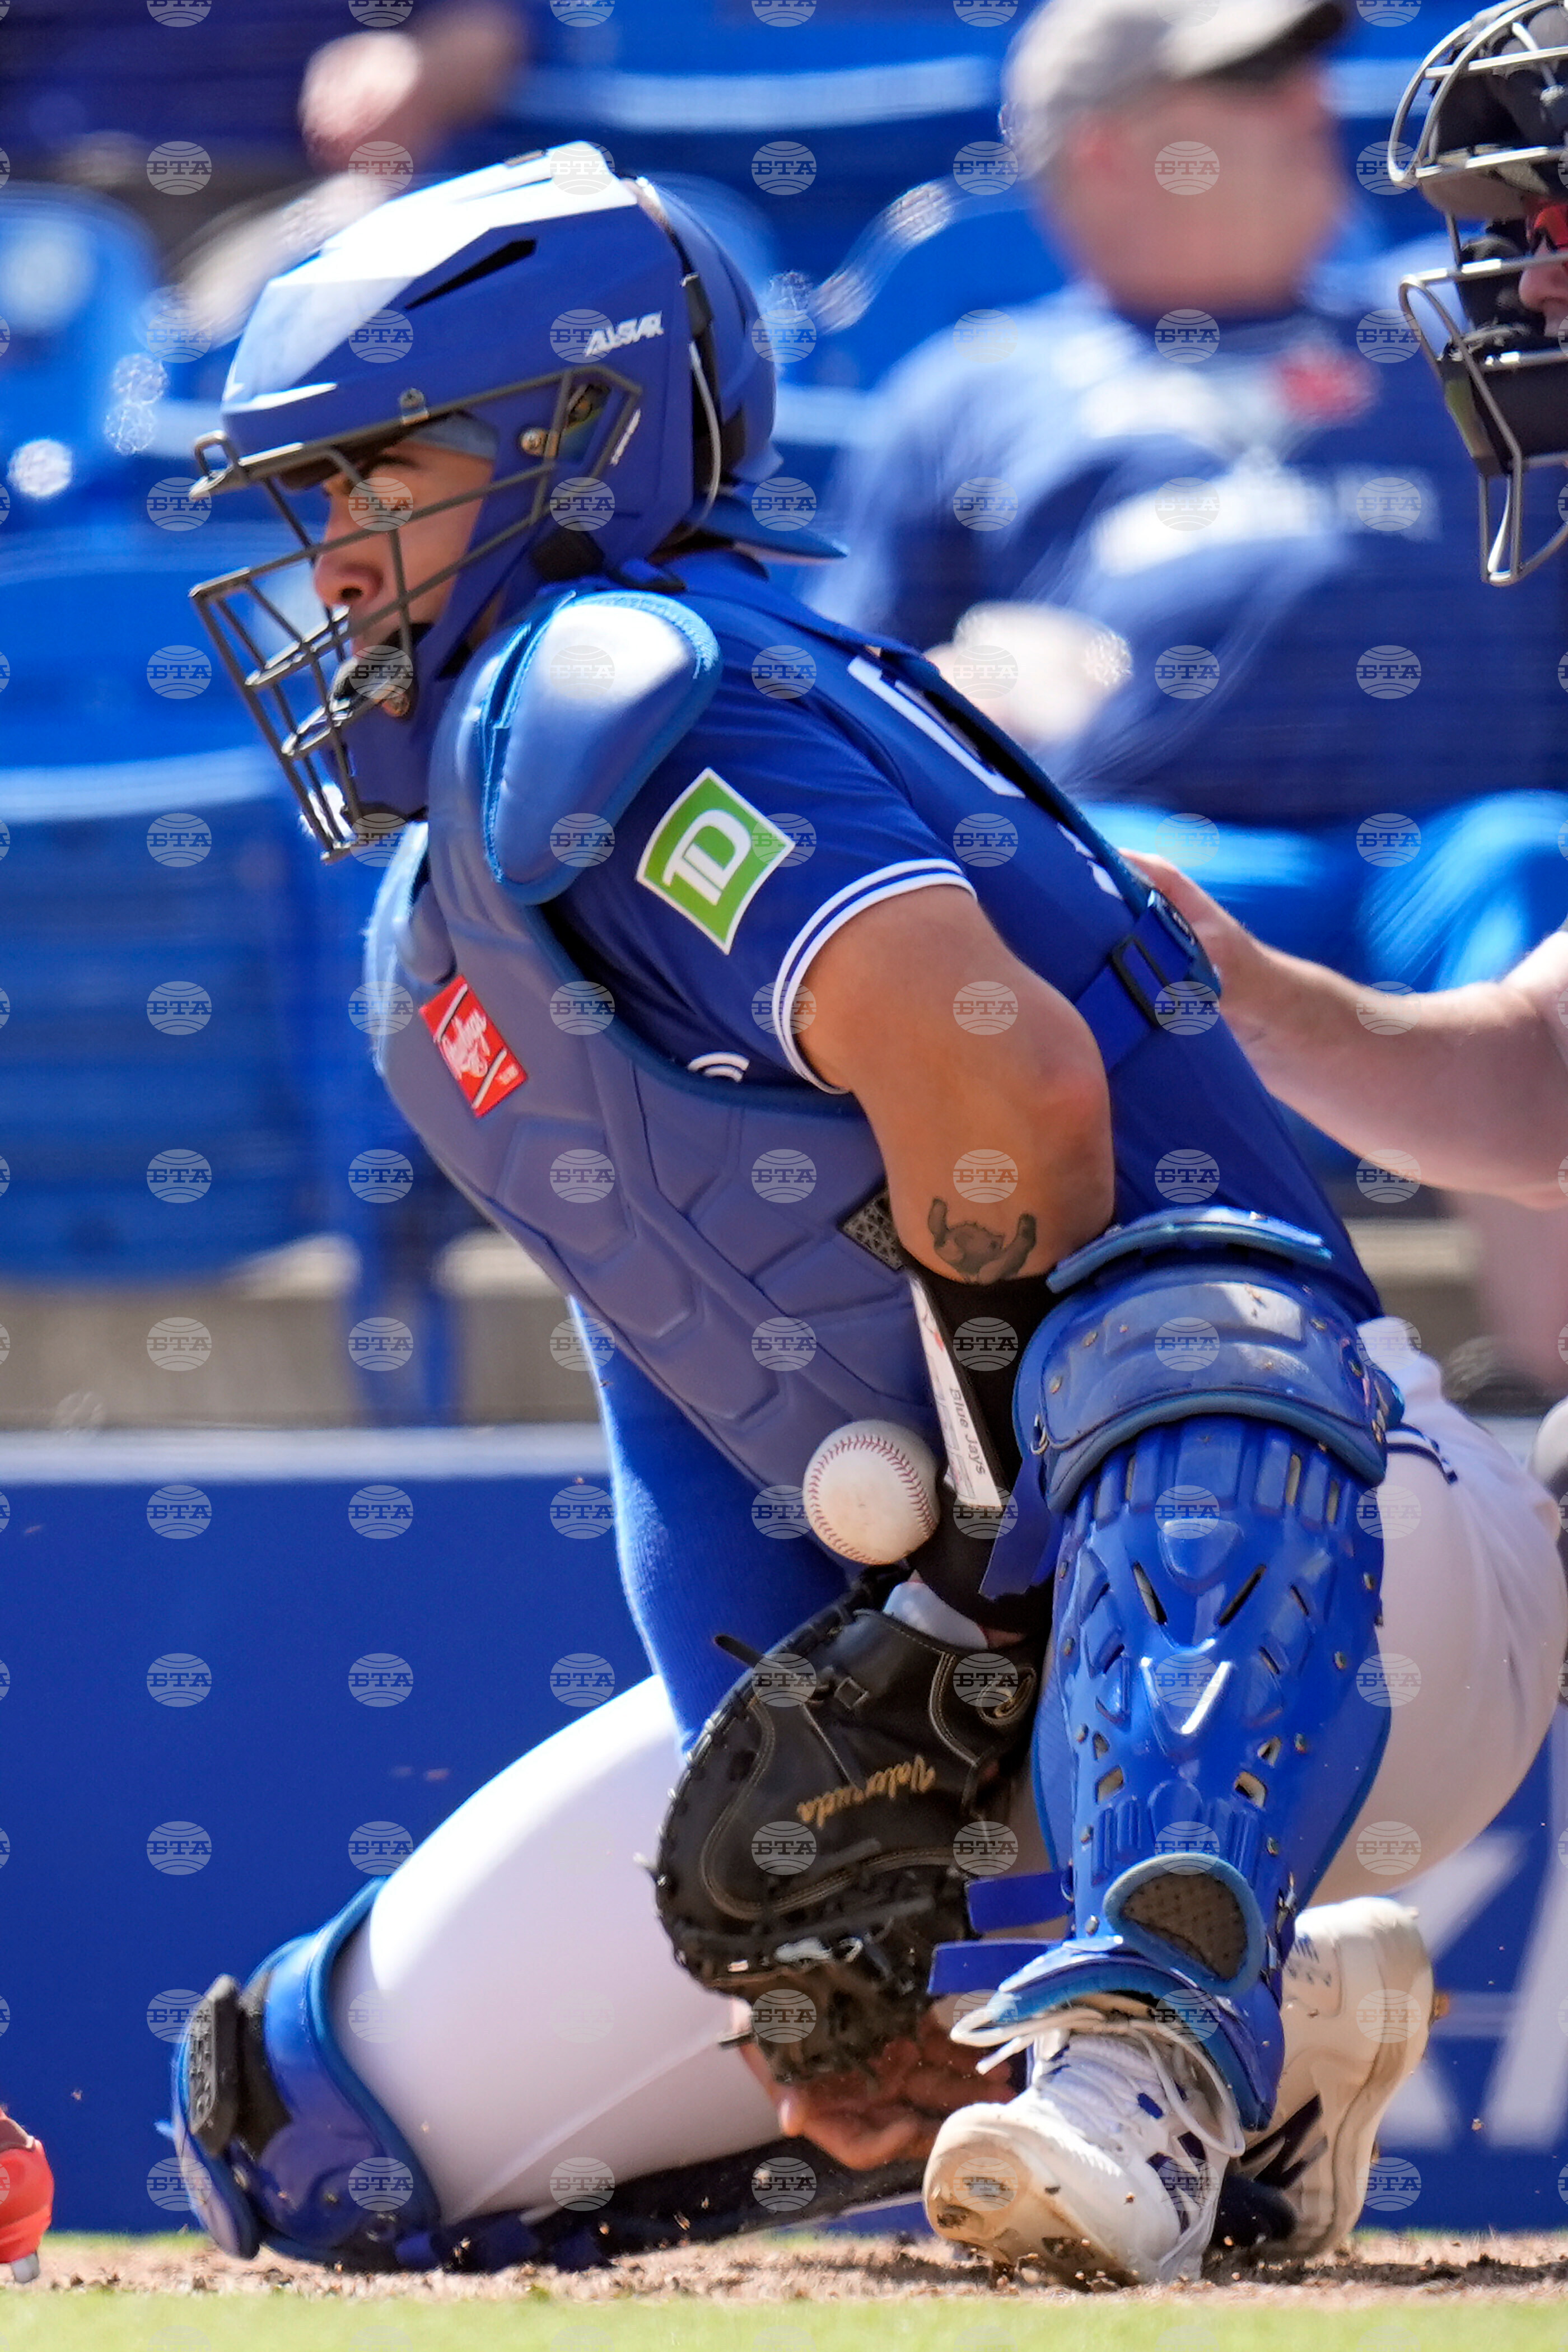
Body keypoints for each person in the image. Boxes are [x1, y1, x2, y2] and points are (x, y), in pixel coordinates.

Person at [162, 145, 1562, 2289]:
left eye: (386, 477)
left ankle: (1154, 2059)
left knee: (1173, 1330)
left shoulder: (636, 683)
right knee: (305, 2137)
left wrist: (968, 1598)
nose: (334, 554)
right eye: (318, 497)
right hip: (1023, 1679)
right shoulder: (439, 924)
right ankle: (1270, 2085)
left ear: (577, 442)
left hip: (1346, 1553)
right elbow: (687, 1393)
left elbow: (1001, 1080)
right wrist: (809, 1939)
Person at [810, 0, 1568, 1407]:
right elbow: (849, 717)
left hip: (1458, 842)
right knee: (1104, 900)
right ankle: (1192, 1406)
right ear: (1104, 153)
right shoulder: (974, 391)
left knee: (1532, 859)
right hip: (1177, 849)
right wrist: (968, 698)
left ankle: (1557, 1390)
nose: (1307, 102)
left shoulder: (1462, 328)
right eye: (1246, 82)